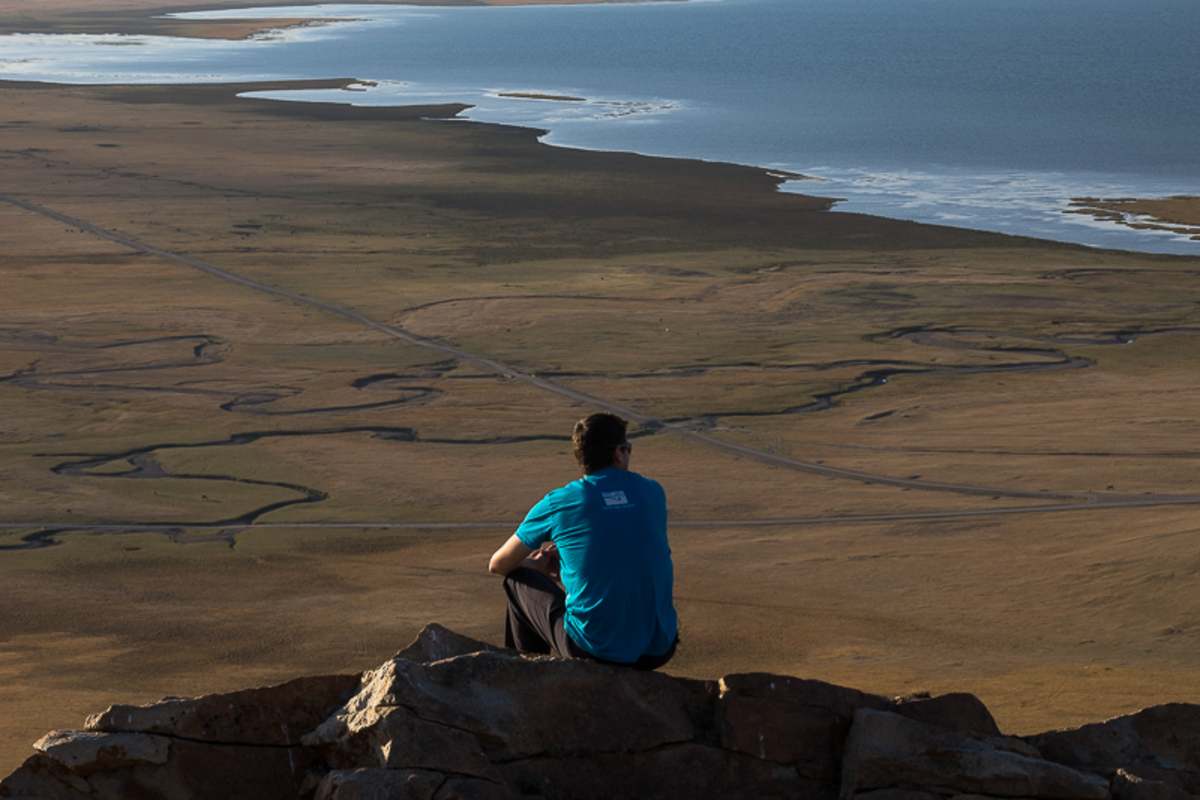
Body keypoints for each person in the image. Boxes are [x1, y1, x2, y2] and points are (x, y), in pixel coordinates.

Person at [488, 412, 678, 669]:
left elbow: (498, 564)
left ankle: (526, 674)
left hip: (595, 649)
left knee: (516, 580)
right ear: (619, 453)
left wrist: (536, 568)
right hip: (659, 648)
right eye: (628, 449)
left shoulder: (560, 501)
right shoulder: (653, 492)